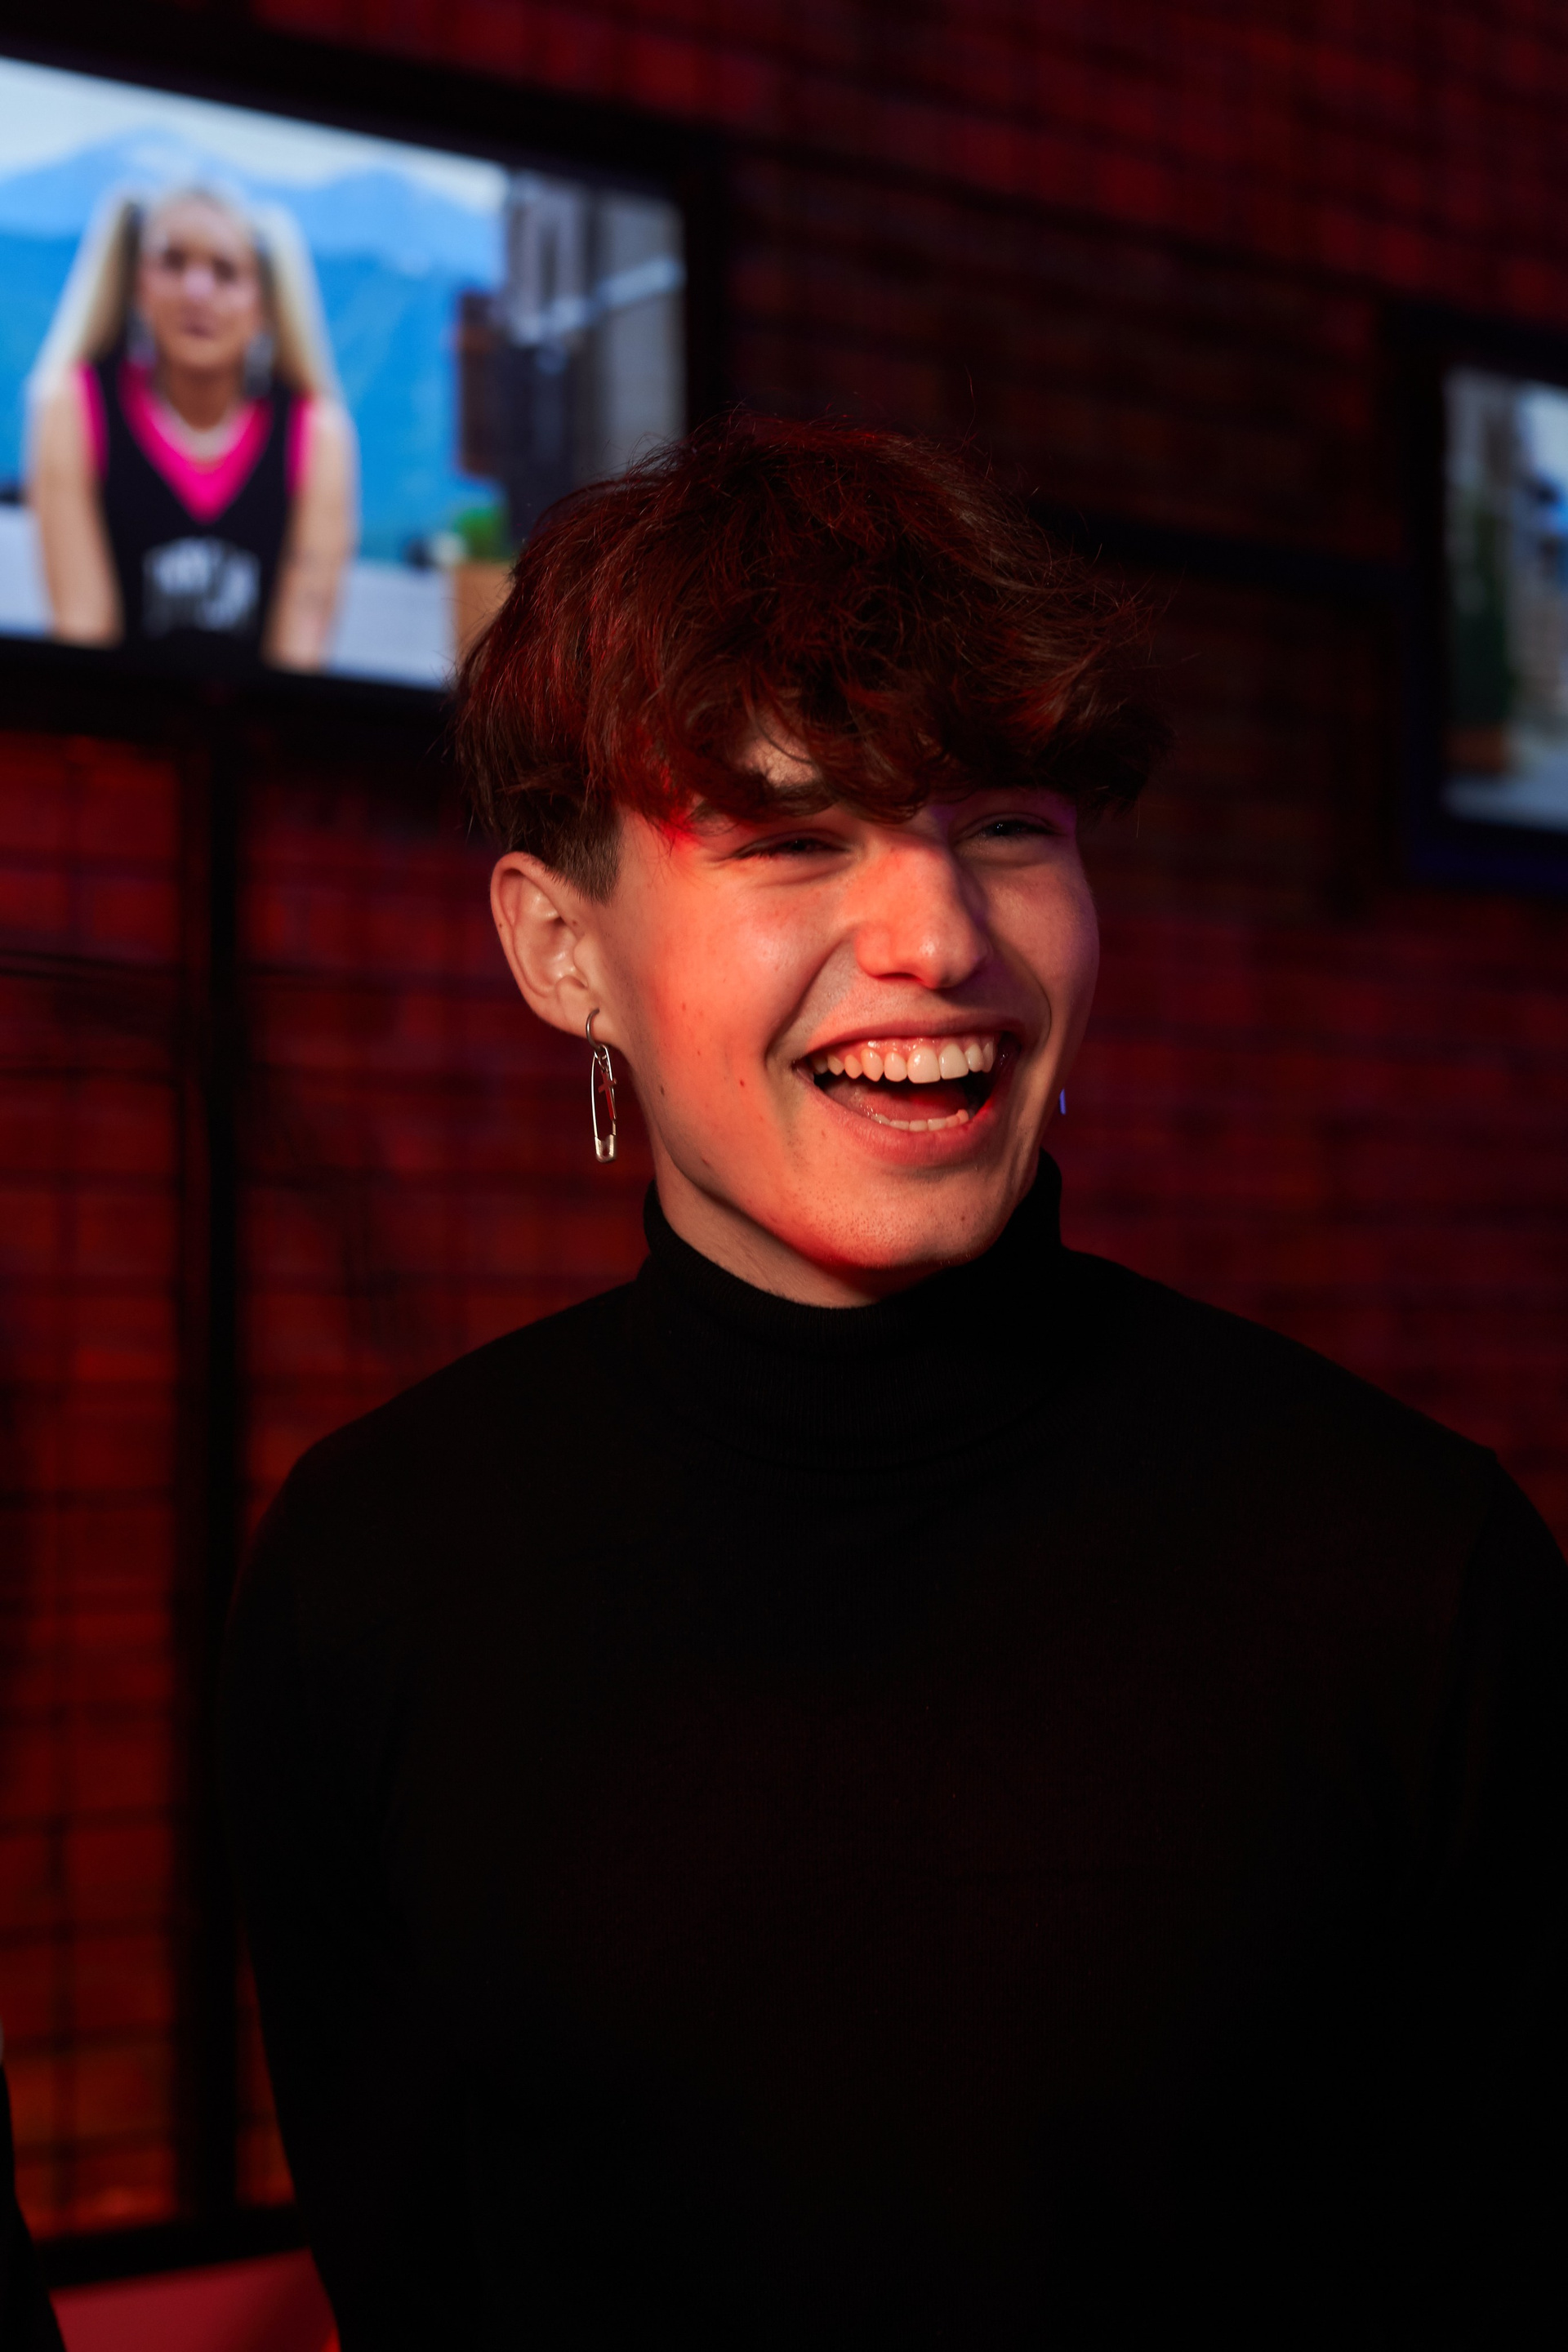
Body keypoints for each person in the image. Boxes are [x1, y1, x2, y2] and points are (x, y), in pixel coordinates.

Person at [222, 417, 1566, 2347]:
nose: (938, 940)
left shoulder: (1405, 1571)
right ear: (560, 949)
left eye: (1007, 827)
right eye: (790, 838)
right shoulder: (377, 1573)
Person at [26, 184, 355, 670]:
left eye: (226, 272)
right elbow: (83, 633)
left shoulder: (316, 433)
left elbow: (298, 659)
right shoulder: (75, 404)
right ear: (137, 284)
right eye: (173, 262)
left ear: (264, 306)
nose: (196, 291)